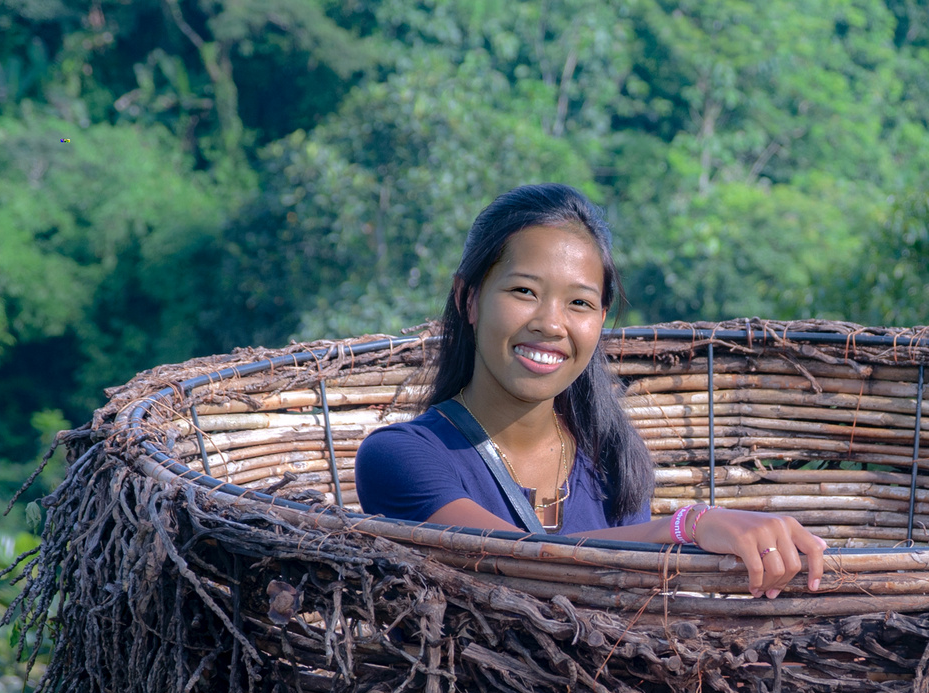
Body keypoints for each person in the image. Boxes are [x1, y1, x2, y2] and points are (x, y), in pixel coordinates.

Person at [354, 183, 826, 599]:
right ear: (469, 299)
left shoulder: (611, 466)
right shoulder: (401, 458)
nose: (550, 324)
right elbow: (524, 564)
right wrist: (687, 526)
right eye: (523, 291)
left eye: (579, 303)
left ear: (600, 321)